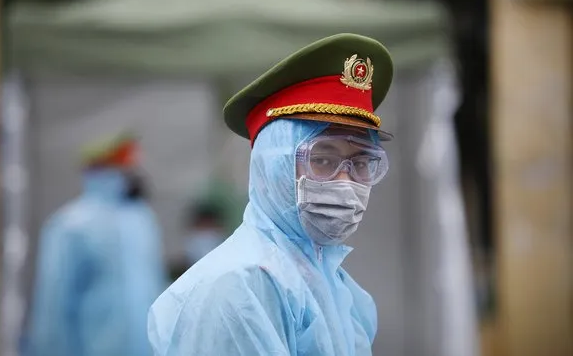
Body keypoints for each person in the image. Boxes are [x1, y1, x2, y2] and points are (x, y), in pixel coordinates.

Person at [148, 34, 394, 355]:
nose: (346, 182)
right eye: (322, 159)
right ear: (274, 166)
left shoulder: (336, 287)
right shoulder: (238, 290)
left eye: (361, 162)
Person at [25, 134, 167, 356]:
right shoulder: (69, 226)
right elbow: (53, 311)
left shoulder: (142, 219)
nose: (132, 171)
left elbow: (154, 288)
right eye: (123, 163)